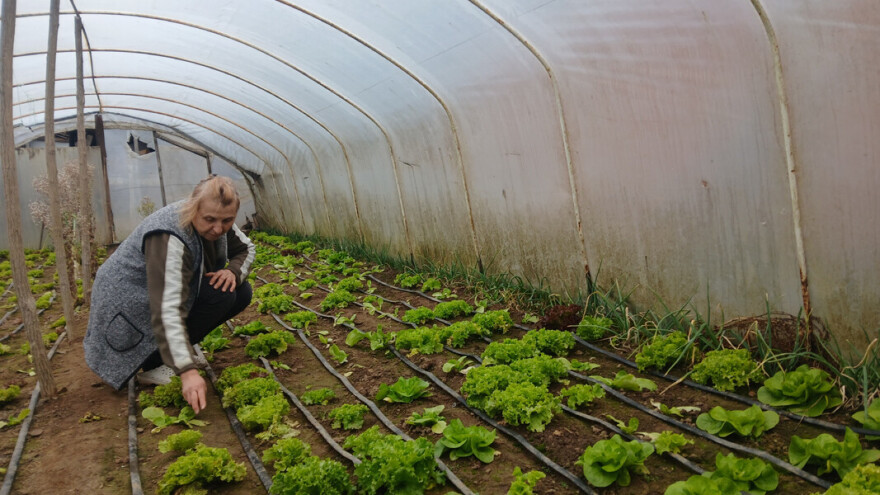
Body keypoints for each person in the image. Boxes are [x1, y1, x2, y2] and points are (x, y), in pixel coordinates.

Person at [84, 175, 255, 413]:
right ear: (193, 207)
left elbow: (247, 248)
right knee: (218, 296)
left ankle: (166, 357)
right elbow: (167, 310)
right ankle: (154, 364)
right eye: (210, 220)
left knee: (238, 290)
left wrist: (233, 272)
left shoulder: (216, 213)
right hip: (129, 302)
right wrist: (187, 370)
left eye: (227, 221)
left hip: (159, 292)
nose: (218, 228)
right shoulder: (170, 236)